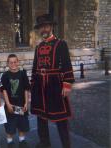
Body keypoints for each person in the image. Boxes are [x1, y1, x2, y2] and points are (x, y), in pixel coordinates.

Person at [30, 14, 75, 148]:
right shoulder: (38, 47)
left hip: (54, 83)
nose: (43, 29)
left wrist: (67, 84)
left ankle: (66, 145)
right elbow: (34, 66)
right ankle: (45, 143)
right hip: (39, 84)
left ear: (51, 27)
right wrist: (33, 83)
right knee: (40, 116)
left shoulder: (61, 44)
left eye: (45, 26)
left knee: (60, 117)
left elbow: (67, 64)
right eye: (41, 27)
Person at [1, 54, 30, 148]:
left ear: (18, 62)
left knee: (22, 124)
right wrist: (8, 104)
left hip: (21, 104)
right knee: (10, 126)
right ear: (8, 63)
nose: (13, 64)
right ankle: (10, 142)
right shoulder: (5, 75)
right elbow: (4, 91)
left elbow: (26, 89)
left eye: (15, 62)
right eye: (11, 62)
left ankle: (22, 141)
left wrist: (26, 102)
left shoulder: (22, 74)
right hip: (10, 106)